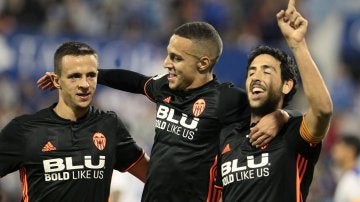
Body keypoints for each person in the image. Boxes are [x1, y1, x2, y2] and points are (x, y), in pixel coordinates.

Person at [37, 23, 292, 201]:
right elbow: (136, 82)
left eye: (176, 58)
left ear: (203, 63)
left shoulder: (229, 99)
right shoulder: (165, 87)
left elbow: (302, 117)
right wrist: (91, 76)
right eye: (168, 55)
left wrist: (281, 116)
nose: (166, 63)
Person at [0, 41, 149, 202]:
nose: (84, 84)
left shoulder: (109, 126)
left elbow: (154, 177)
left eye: (91, 75)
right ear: (57, 81)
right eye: (75, 76)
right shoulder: (25, 130)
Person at [216, 0, 333, 201]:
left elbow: (322, 110)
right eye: (251, 72)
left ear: (286, 85)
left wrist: (297, 44)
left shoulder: (295, 133)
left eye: (266, 70)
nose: (256, 76)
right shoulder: (227, 137)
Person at [332, 135, 360, 202]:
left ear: (350, 152)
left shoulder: (352, 179)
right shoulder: (349, 176)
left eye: (340, 146)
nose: (334, 150)